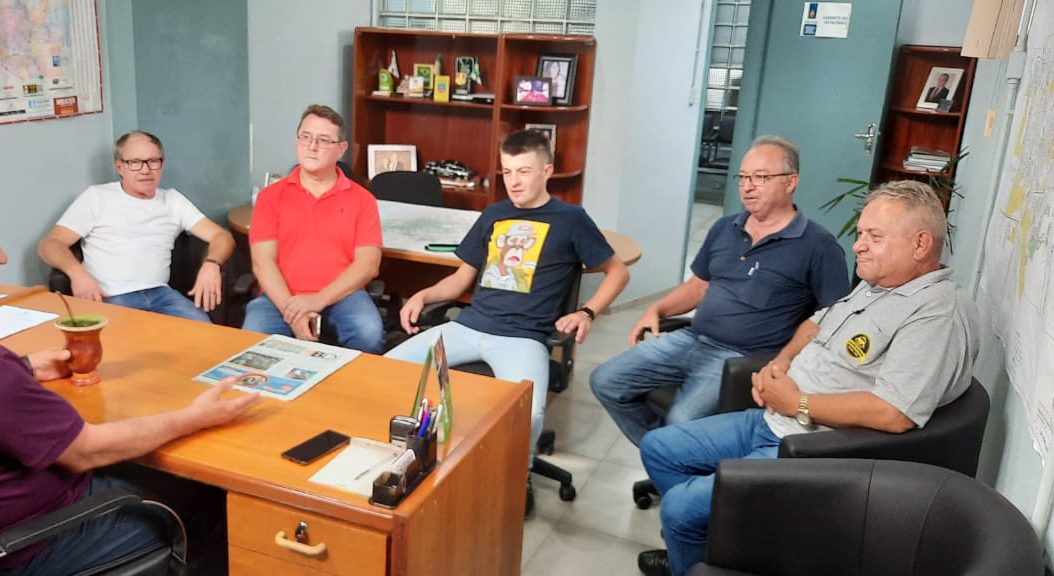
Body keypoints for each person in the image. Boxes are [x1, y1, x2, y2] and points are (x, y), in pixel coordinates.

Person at [0, 187, 261, 575]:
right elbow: (86, 450)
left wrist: (25, 367)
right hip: (35, 544)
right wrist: (196, 416)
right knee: (221, 508)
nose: (2, 257)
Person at [634, 180, 981, 576]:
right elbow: (815, 326)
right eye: (861, 234)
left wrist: (796, 403)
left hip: (810, 448)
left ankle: (693, 546)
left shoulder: (936, 314)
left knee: (679, 508)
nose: (858, 245)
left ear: (920, 244)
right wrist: (779, 364)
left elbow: (895, 413)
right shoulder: (877, 285)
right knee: (659, 447)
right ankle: (704, 550)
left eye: (874, 236)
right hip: (775, 419)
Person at [385, 129, 629, 504]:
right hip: (468, 327)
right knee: (384, 368)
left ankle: (519, 478)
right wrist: (424, 294)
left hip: (523, 338)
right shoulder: (494, 214)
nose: (513, 182)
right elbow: (461, 278)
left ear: (547, 171)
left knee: (527, 415)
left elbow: (618, 272)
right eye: (508, 171)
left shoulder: (571, 219)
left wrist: (586, 312)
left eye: (524, 172)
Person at [590, 135, 850, 445]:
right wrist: (656, 309)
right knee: (605, 381)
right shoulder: (725, 228)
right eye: (743, 177)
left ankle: (672, 451)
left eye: (760, 177)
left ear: (790, 182)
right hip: (691, 338)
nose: (748, 187)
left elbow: (832, 319)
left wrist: (783, 360)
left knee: (681, 422)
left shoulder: (818, 245)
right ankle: (668, 454)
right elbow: (698, 287)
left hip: (739, 358)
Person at [38, 130, 235, 323]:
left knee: (206, 334)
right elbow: (50, 244)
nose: (145, 170)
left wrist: (212, 264)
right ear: (119, 167)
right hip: (111, 297)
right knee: (129, 342)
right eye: (135, 162)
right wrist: (77, 274)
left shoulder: (173, 200)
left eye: (153, 161)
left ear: (162, 164)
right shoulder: (97, 197)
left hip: (162, 295)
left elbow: (222, 236)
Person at [243, 104, 385, 354]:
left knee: (369, 334)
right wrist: (292, 310)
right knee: (252, 340)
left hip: (344, 295)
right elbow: (263, 263)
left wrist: (318, 300)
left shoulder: (363, 200)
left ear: (341, 148)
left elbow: (368, 265)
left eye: (323, 140)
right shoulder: (270, 197)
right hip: (280, 296)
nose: (312, 146)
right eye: (305, 137)